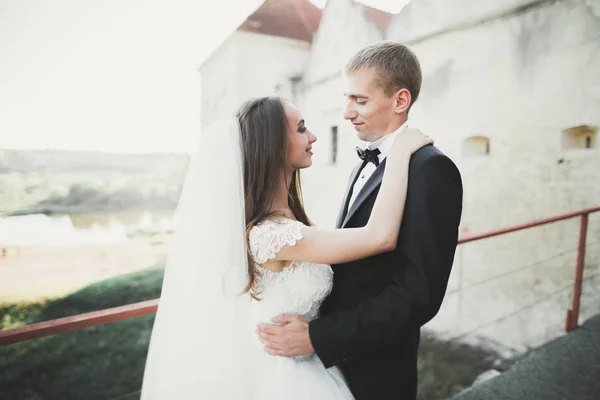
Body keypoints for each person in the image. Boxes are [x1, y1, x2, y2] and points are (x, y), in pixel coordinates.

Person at [140, 94, 432, 399]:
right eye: (302, 128)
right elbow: (379, 237)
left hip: (311, 361)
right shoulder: (270, 235)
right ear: (274, 144)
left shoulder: (290, 218)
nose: (313, 136)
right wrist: (400, 151)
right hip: (284, 378)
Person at [257, 41, 463, 399]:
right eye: (347, 99)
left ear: (400, 101)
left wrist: (320, 336)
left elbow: (418, 294)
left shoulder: (432, 170)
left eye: (360, 100)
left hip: (379, 369)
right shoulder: (362, 165)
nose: (347, 113)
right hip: (323, 362)